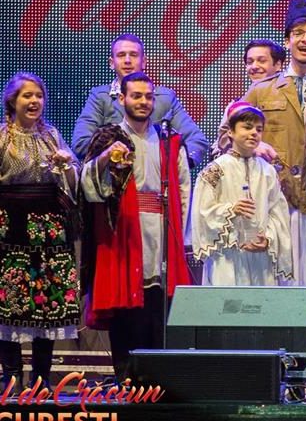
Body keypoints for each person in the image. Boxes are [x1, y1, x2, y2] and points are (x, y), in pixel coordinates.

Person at [80, 72, 192, 381]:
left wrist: (179, 234)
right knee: (127, 310)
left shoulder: (169, 141)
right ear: (122, 99)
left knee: (159, 306)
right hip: (123, 233)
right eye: (136, 96)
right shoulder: (107, 138)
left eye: (148, 96)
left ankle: (158, 383)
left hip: (161, 230)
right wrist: (105, 158)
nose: (143, 102)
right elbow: (88, 186)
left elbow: (183, 188)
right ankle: (126, 380)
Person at [243, 0, 306, 297]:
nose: (305, 39)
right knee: (277, 284)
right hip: (276, 200)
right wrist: (256, 143)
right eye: (298, 32)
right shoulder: (261, 91)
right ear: (287, 40)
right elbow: (227, 136)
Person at [0, 73, 80, 392]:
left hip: (49, 230)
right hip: (11, 229)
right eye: (27, 96)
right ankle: (10, 375)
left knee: (47, 302)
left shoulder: (52, 135)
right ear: (12, 101)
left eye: (39, 96)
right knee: (10, 300)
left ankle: (42, 377)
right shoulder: (2, 138)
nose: (34, 101)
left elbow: (73, 181)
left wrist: (66, 163)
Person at [71, 33, 209, 168]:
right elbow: (80, 144)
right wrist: (117, 153)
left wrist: (177, 165)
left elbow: (197, 141)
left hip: (157, 178)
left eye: (133, 55)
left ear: (144, 61)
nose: (127, 60)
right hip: (112, 178)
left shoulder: (165, 98)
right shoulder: (100, 97)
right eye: (121, 55)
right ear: (112, 63)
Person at [192, 102, 293, 286]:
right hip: (227, 257)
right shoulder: (216, 169)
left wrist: (268, 238)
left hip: (259, 257)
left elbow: (277, 213)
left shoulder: (267, 171)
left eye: (258, 129)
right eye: (247, 127)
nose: (254, 133)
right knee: (228, 301)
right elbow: (202, 212)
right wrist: (231, 210)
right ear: (230, 132)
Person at [212, 39, 289, 157]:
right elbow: (222, 142)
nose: (254, 66)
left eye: (261, 61)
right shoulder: (236, 105)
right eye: (250, 62)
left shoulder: (291, 97)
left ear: (278, 64)